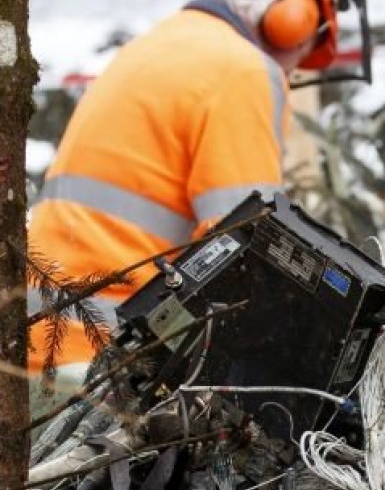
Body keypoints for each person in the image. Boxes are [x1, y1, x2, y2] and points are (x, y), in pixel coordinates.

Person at [27, 0, 342, 392]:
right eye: (306, 45)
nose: (294, 68)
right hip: (104, 354)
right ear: (292, 18)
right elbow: (246, 248)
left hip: (34, 339)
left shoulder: (152, 46)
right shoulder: (243, 71)